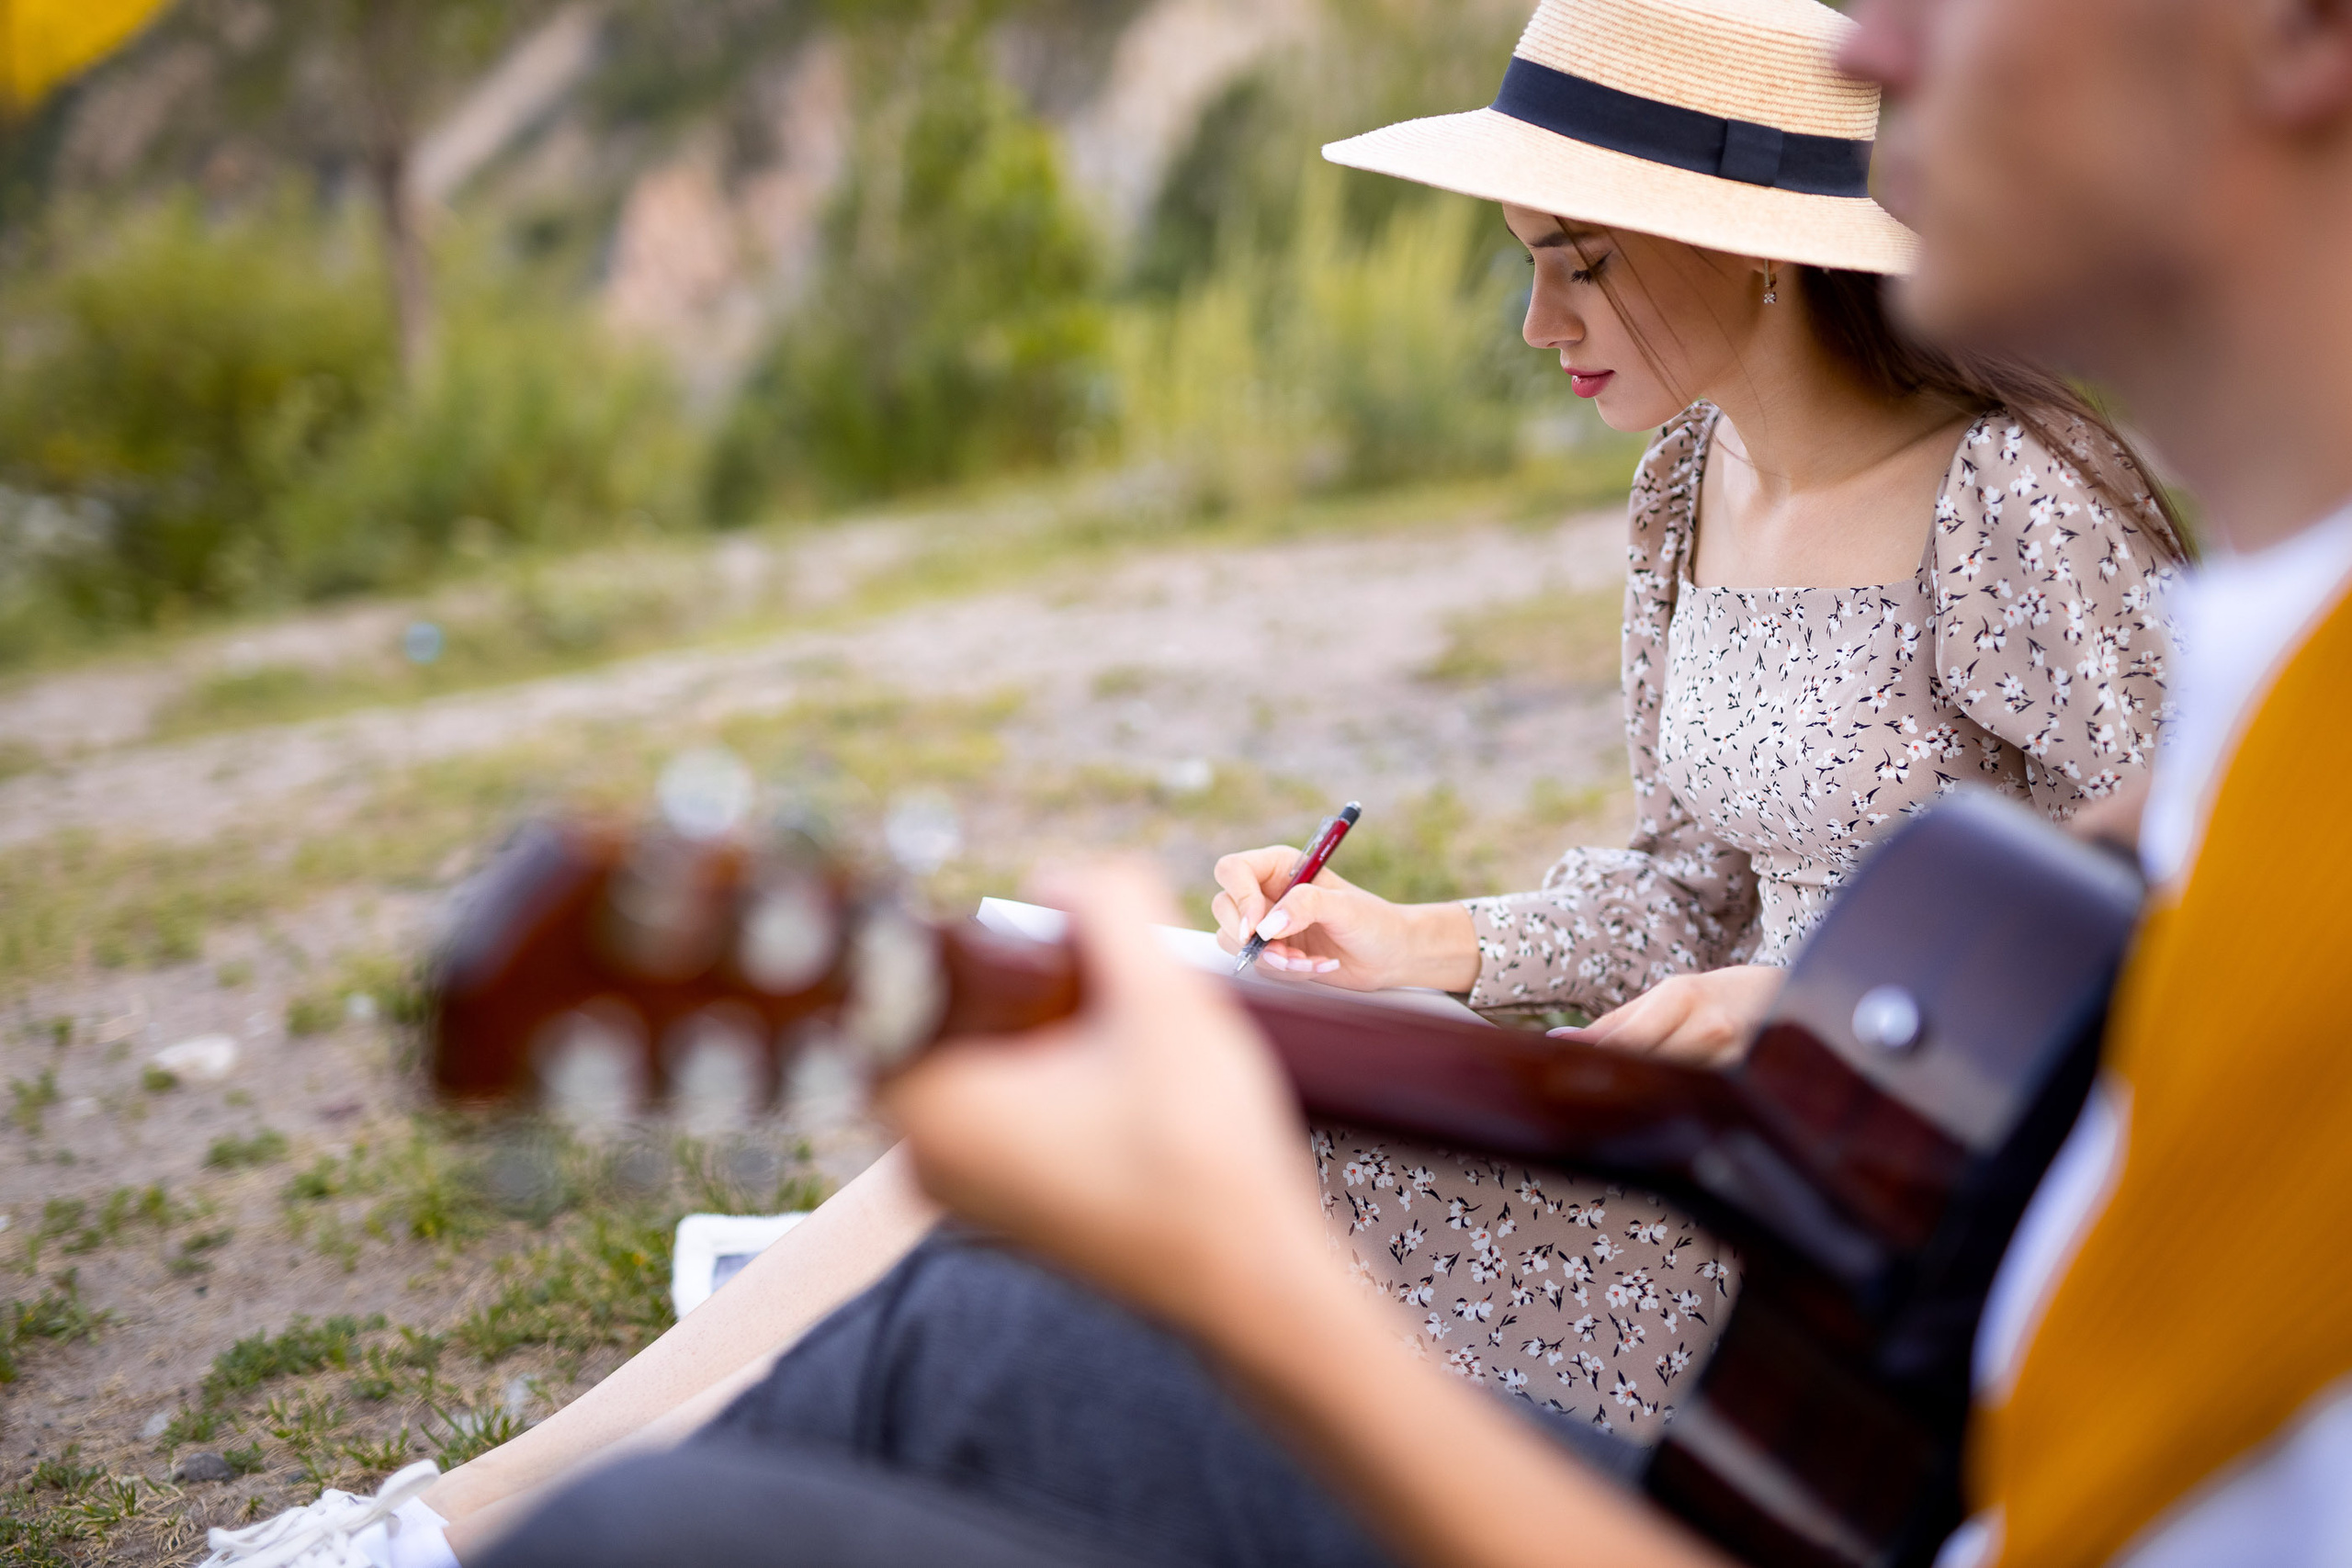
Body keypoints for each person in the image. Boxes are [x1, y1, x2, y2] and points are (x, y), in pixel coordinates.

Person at [200, 0, 2220, 1562]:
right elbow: (1686, 882)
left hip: (1843, 1228)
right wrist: (1407, 937)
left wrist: (1802, 1013)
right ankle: (458, 1522)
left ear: (1750, 247)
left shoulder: (2006, 507)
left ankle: (459, 1533)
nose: (1533, 322)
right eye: (1521, 258)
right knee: (1068, 1117)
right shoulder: (1687, 484)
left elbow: (2174, 933)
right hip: (1677, 1110)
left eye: (1578, 261)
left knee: (1107, 1146)